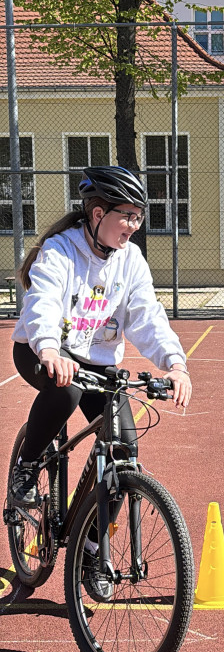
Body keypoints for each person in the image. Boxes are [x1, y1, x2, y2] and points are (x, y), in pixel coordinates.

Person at [10, 165, 192, 508]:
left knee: (123, 451)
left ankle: (92, 554)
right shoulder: (60, 250)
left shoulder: (131, 260)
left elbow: (147, 315)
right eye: (129, 217)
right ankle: (28, 466)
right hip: (42, 349)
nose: (135, 227)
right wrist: (49, 349)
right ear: (98, 213)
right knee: (67, 391)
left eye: (139, 218)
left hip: (95, 360)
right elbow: (42, 301)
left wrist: (176, 364)